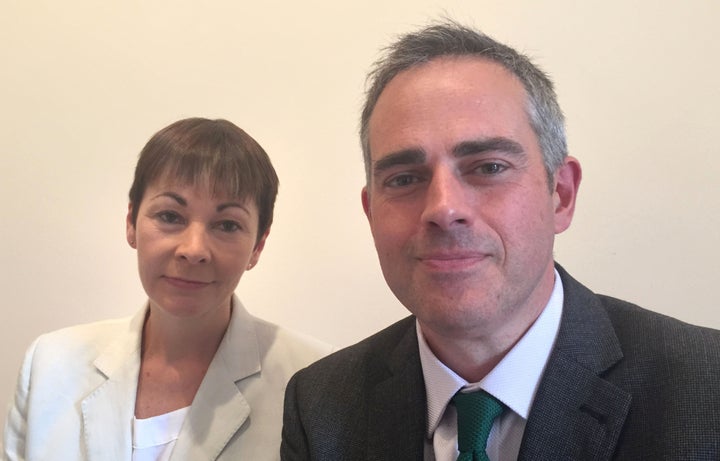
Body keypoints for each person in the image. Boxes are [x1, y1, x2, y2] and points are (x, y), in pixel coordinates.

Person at [281, 20, 720, 460]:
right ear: (371, 211)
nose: (443, 209)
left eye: (488, 167)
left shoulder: (706, 387)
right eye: (405, 178)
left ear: (561, 195)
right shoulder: (321, 407)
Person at [4, 118, 333, 460]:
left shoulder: (317, 382)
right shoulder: (51, 363)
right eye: (170, 216)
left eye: (227, 224)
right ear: (131, 222)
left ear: (258, 246)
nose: (193, 249)